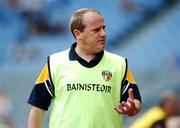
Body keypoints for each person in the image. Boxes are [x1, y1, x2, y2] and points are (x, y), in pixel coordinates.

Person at [27, 8, 142, 128]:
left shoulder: (119, 64)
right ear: (78, 34)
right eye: (96, 30)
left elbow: (136, 101)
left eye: (104, 28)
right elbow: (37, 107)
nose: (103, 33)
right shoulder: (55, 63)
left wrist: (133, 108)